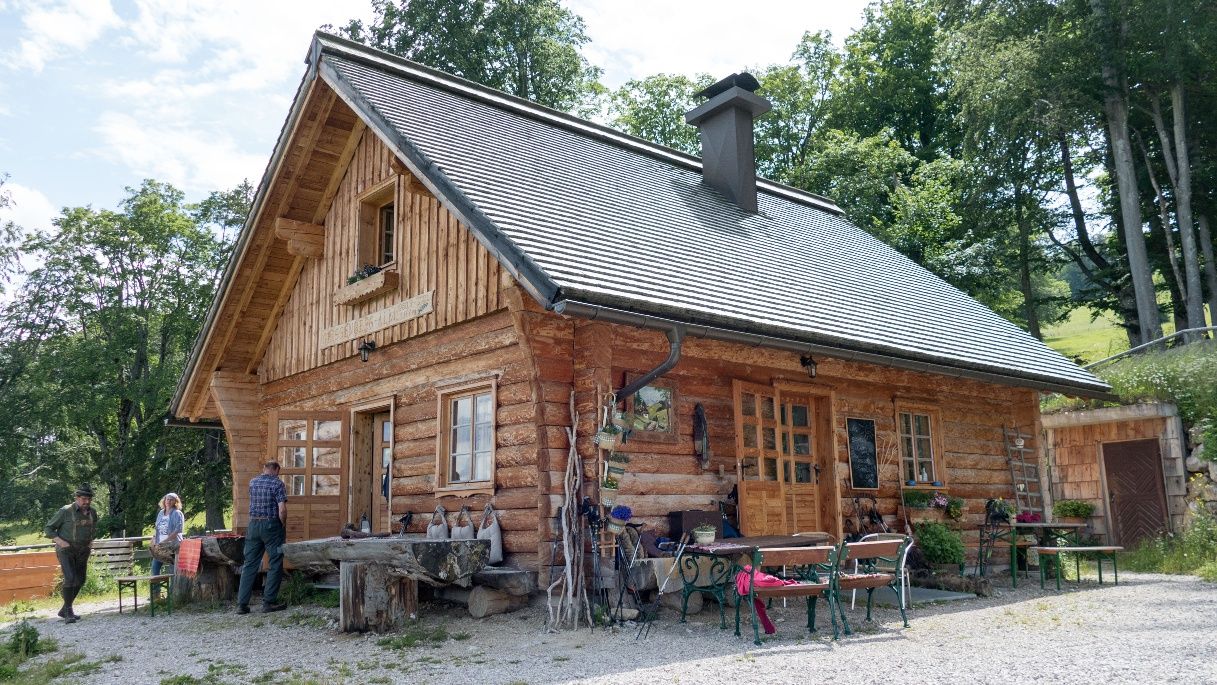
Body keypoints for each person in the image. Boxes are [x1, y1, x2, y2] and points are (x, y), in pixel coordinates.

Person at [236, 462, 288, 614]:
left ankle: (242, 605)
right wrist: (283, 524)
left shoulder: (253, 482)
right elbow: (282, 509)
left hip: (253, 525)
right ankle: (268, 602)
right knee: (275, 562)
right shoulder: (277, 483)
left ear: (265, 469)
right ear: (276, 470)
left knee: (249, 564)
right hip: (271, 525)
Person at [44, 486, 99, 623]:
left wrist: (90, 541)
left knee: (81, 580)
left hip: (83, 550)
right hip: (66, 550)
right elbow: (48, 529)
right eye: (84, 499)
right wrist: (60, 542)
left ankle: (65, 609)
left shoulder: (92, 512)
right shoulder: (66, 511)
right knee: (70, 578)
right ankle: (68, 612)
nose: (87, 501)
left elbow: (93, 528)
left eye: (89, 499)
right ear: (77, 498)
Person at [151, 493, 185, 576]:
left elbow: (178, 530)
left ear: (175, 502)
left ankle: (175, 585)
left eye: (171, 500)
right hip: (160, 545)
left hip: (173, 545)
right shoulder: (161, 513)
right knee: (155, 569)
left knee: (176, 571)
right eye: (167, 499)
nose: (169, 501)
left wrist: (165, 541)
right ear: (164, 501)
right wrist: (154, 538)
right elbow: (157, 528)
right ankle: (156, 585)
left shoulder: (177, 513)